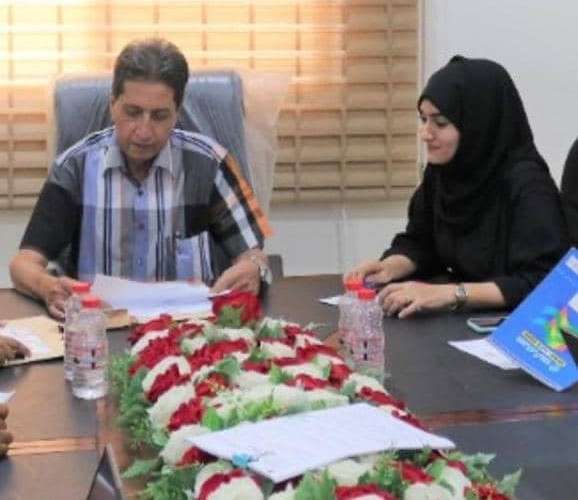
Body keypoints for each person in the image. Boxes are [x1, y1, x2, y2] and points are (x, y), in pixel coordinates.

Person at [10, 38, 272, 319]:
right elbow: (22, 264)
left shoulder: (212, 163)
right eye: (132, 113)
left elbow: (254, 254)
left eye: (159, 116)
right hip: (98, 330)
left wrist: (253, 267)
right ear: (113, 104)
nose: (144, 132)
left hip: (187, 329)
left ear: (177, 112)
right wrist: (46, 286)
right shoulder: (74, 166)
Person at [346, 56, 569, 319]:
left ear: (477, 124)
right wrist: (390, 267)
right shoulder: (445, 171)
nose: (425, 133)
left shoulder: (529, 185)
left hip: (513, 328)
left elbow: (543, 284)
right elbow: (422, 242)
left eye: (440, 123)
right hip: (459, 320)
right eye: (423, 119)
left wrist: (452, 294)